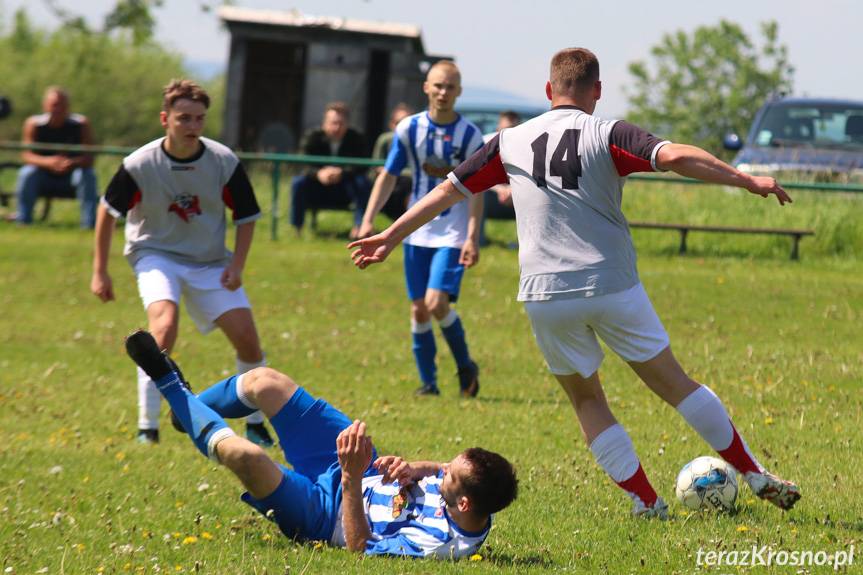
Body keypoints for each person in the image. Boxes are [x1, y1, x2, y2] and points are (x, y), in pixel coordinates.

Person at [349, 48, 801, 517]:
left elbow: (448, 190)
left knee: (587, 398)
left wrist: (390, 235)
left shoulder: (509, 141)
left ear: (549, 91)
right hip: (611, 284)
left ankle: (646, 502)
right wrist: (747, 180)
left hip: (546, 295)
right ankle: (750, 471)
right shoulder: (608, 133)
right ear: (597, 92)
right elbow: (677, 156)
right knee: (675, 385)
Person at [124, 329, 519, 558]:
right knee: (265, 382)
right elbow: (443, 474)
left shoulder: (440, 544)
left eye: (448, 473)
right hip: (358, 469)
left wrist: (349, 478)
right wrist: (416, 468)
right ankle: (188, 412)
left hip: (325, 515)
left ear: (463, 504)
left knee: (244, 456)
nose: (441, 469)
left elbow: (360, 547)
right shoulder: (477, 501)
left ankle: (170, 387)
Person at [90, 79, 274, 447]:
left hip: (209, 261)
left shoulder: (222, 160)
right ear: (165, 119)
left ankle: (255, 423)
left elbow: (247, 216)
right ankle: (148, 426)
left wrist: (237, 265)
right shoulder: (141, 163)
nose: (192, 127)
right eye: (184, 118)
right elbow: (107, 211)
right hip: (155, 254)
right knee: (164, 328)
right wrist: (100, 270)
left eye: (199, 119)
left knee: (248, 342)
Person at [358, 61, 485, 397]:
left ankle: (465, 365)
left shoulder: (471, 136)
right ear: (426, 87)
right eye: (438, 86)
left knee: (435, 302)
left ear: (459, 92)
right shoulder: (408, 129)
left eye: (451, 87)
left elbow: (476, 191)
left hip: (453, 233)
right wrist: (369, 218)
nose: (443, 93)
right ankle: (428, 382)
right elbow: (388, 176)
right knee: (419, 308)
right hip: (417, 232)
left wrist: (472, 236)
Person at [14, 86, 98, 228]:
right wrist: (49, 162)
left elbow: (89, 157)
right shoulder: (34, 124)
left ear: (68, 106)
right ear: (45, 106)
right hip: (43, 175)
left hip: (72, 176)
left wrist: (70, 163)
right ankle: (23, 221)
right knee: (27, 173)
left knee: (87, 175)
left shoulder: (81, 124)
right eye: (54, 105)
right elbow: (26, 155)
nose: (58, 109)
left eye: (62, 105)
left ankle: (89, 224)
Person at [290, 102, 370, 239]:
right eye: (333, 123)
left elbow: (363, 165)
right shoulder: (312, 137)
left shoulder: (356, 138)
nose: (336, 127)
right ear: (324, 123)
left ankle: (360, 227)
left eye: (341, 123)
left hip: (345, 188)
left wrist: (342, 173)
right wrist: (318, 173)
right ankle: (297, 229)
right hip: (318, 187)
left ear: (347, 124)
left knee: (363, 182)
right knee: (298, 182)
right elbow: (302, 163)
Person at [479, 110, 520, 246]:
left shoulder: (526, 144)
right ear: (498, 127)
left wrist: (512, 190)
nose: (510, 132)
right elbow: (477, 175)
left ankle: (526, 244)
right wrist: (500, 189)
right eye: (506, 129)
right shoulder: (485, 142)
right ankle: (479, 239)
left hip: (517, 193)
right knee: (475, 191)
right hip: (490, 193)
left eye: (514, 129)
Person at [370, 103, 414, 222]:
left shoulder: (417, 142)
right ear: (391, 124)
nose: (402, 127)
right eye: (398, 123)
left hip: (408, 184)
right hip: (390, 181)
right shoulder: (385, 140)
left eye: (406, 123)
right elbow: (376, 166)